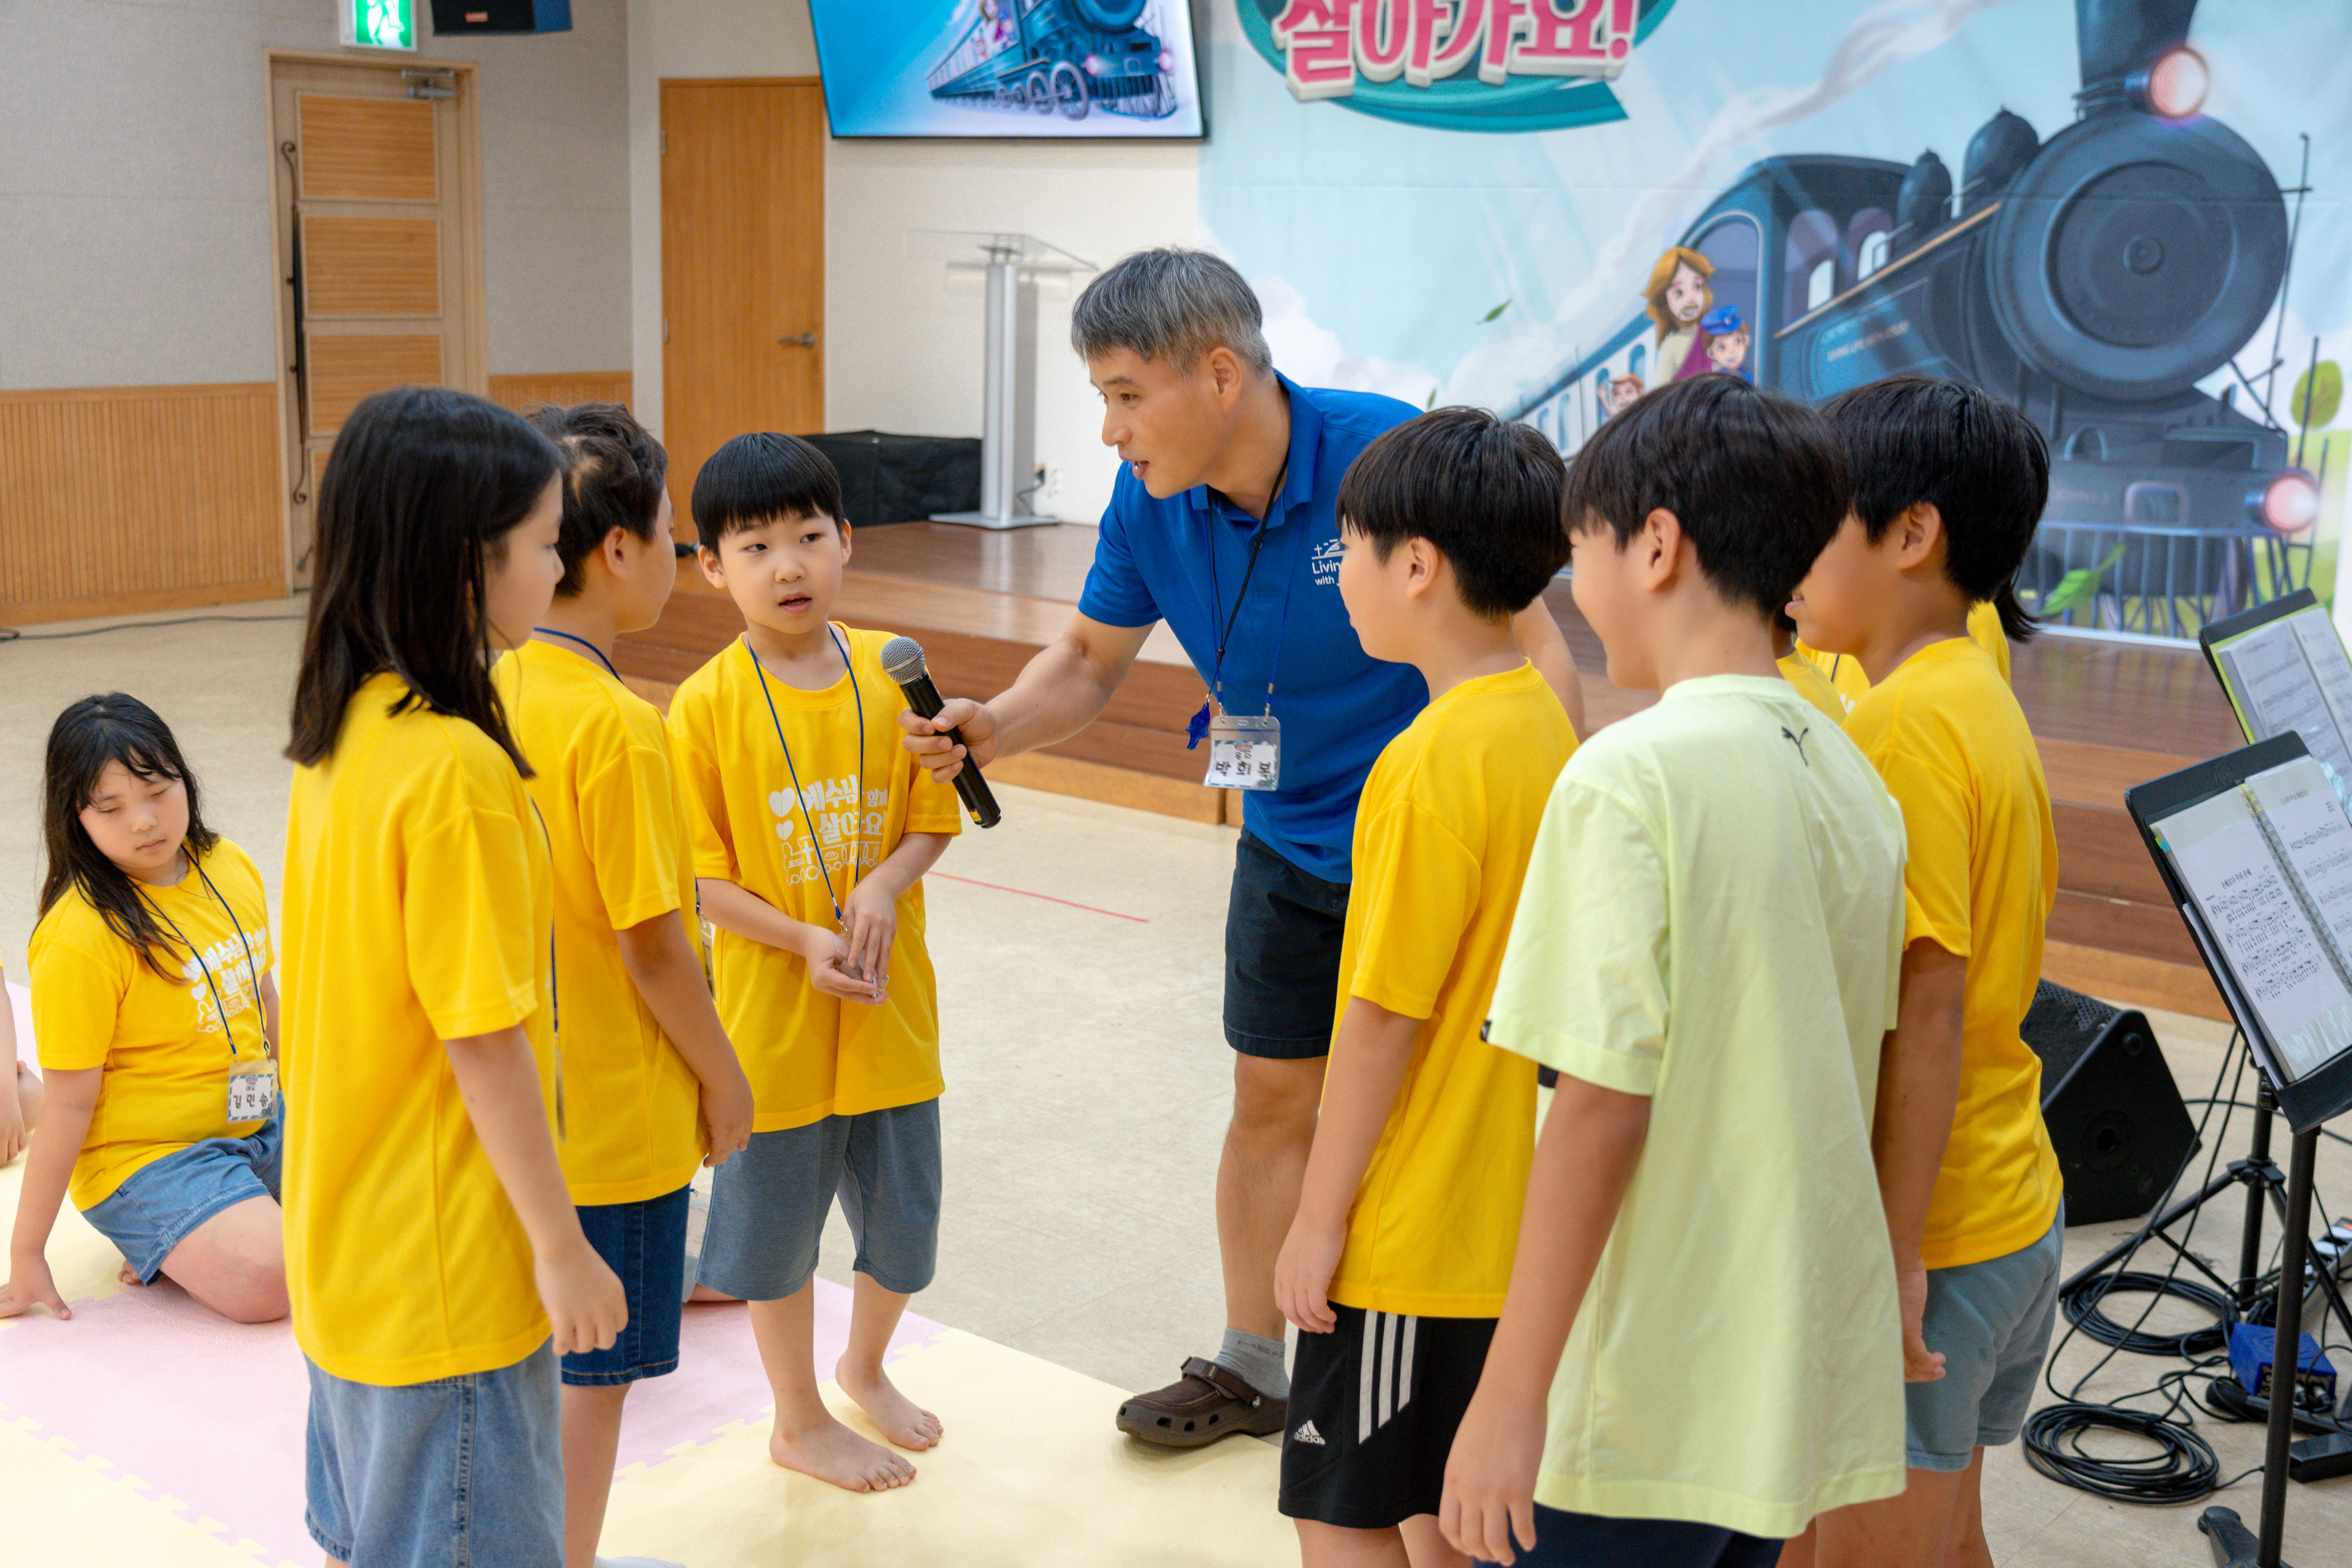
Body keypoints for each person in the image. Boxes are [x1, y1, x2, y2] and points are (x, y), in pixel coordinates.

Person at [897, 248, 1581, 1448]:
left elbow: (1531, 637)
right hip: (1286, 836)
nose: (1108, 429)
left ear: (1219, 375)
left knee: (1435, 1112)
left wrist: (1556, 834)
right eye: (1101, 397)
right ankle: (1253, 1361)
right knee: (1271, 1095)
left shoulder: (1384, 459)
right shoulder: (1148, 502)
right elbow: (1090, 660)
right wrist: (997, 723)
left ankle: (1462, 1366)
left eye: (1124, 394)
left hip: (1430, 842)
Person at [1439, 375, 1910, 1567]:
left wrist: (1508, 1395)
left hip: (1635, 1384)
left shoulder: (1628, 774)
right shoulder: (1846, 762)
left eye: (1581, 551)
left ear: (1656, 544)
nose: (1572, 587)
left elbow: (1598, 1106)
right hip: (1769, 1376)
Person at [281, 385, 627, 1568]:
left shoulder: (345, 726)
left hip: (348, 1245)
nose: (561, 566)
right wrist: (561, 1244)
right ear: (467, 563)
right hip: (445, 1273)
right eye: (545, 544)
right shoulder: (454, 771)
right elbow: (484, 1037)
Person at [1269, 408, 1577, 1568]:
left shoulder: (1427, 760)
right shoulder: (1539, 718)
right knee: (1439, 1509)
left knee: (1338, 1509)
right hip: (1499, 1217)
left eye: (1348, 546)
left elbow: (1381, 1016)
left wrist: (1318, 1218)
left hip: (1414, 1229)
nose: (1339, 572)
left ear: (1416, 566)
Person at [1782, 376, 2061, 1568]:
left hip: (1936, 1231)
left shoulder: (1903, 727)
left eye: (1813, 522)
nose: (1787, 554)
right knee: (1948, 1537)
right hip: (2007, 1197)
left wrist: (1894, 1254)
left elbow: (1926, 1010)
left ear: (1912, 534)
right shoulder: (1972, 689)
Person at [668, 432, 962, 1494]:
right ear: (713, 567)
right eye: (755, 547)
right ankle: (797, 1417)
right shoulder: (703, 706)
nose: (787, 566)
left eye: (806, 537)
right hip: (773, 1026)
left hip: (890, 1011)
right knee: (774, 1240)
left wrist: (882, 885)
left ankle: (864, 1367)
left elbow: (934, 817)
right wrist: (802, 938)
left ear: (846, 539)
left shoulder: (893, 672)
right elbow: (699, 881)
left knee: (904, 1229)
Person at [493, 402, 758, 1568]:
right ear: (615, 550)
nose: (679, 553)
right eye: (669, 530)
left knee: (524, 1359)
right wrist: (724, 1075)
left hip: (514, 1108)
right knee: (593, 1378)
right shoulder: (618, 725)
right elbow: (654, 945)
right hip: (609, 1123)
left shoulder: (490, 687)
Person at [0, 694, 284, 1325]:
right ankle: (162, 1230)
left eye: (158, 791)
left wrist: (309, 1118)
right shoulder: (78, 938)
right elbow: (69, 1104)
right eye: (111, 808)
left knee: (403, 1188)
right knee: (272, 1279)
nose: (144, 821)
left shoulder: (228, 864)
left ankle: (192, 1238)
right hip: (151, 1158)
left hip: (258, 1120)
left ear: (185, 778)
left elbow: (263, 999)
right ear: (74, 818)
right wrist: (26, 1254)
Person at [1640, 247, 1713, 390]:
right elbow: (1660, 391)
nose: (1691, 299)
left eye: (1698, 287)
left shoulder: (1710, 334)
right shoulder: (1672, 344)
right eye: (1679, 293)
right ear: (1664, 300)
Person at [1702, 307, 1752, 382]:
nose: (1732, 351)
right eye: (1721, 348)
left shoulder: (1748, 378)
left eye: (1737, 342)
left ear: (1746, 340)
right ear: (1711, 353)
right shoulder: (1716, 381)